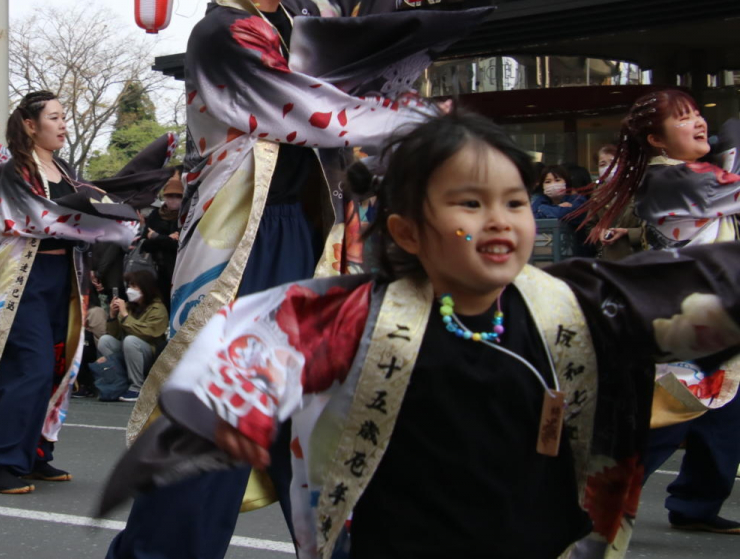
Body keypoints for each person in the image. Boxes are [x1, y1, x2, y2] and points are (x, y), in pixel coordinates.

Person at [101, 109, 740, 559]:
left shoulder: (574, 301)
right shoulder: (347, 316)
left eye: (515, 203)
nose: (501, 222)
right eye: (469, 203)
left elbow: (700, 284)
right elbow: (240, 363)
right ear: (406, 231)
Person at [111, 0, 489, 559]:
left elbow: (361, 20)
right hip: (246, 248)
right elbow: (307, 110)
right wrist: (410, 121)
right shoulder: (221, 34)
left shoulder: (303, 17)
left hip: (315, 238)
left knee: (326, 429)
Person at [0, 91, 175, 495]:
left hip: (64, 277)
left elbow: (99, 195)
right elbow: (42, 217)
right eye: (55, 118)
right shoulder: (15, 171)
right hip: (22, 279)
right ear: (30, 124)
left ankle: (33, 454)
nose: (63, 125)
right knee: (32, 365)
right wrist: (108, 223)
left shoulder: (62, 169)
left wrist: (145, 171)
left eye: (64, 117)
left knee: (59, 365)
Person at [581, 89, 740, 535]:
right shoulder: (670, 180)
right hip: (683, 324)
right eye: (683, 118)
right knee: (660, 425)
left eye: (695, 114)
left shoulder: (697, 171)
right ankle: (585, 506)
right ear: (656, 140)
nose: (697, 122)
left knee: (724, 421)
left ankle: (695, 504)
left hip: (712, 321)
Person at [97, 269, 169, 401]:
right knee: (105, 340)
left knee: (131, 341)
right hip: (127, 352)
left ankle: (137, 387)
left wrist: (125, 316)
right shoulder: (129, 307)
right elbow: (114, 335)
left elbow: (148, 334)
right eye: (129, 286)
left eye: (134, 286)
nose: (130, 289)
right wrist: (112, 316)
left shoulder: (158, 309)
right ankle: (117, 382)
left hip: (148, 355)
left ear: (145, 288)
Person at [592, 144, 642, 261]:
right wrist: (599, 232)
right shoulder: (597, 195)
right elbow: (590, 226)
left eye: (614, 162)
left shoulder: (640, 189)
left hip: (637, 257)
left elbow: (654, 229)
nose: (609, 168)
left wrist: (627, 232)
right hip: (609, 258)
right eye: (602, 164)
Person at [141, 174, 182, 301]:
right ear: (165, 196)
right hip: (156, 269)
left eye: (178, 196)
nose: (173, 199)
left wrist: (156, 236)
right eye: (170, 196)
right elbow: (145, 244)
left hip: (179, 269)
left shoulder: (185, 216)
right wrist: (167, 238)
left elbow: (180, 244)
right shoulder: (155, 215)